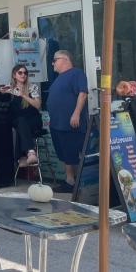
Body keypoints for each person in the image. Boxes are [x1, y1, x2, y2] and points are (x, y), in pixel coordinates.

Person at [47, 50, 88, 193]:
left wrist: (76, 114)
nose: (53, 63)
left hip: (71, 123)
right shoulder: (59, 78)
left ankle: (81, 183)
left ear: (65, 59)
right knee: (64, 154)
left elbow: (82, 94)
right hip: (57, 124)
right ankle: (69, 181)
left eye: (54, 60)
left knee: (74, 152)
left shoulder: (76, 73)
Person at [0, 65, 42, 166]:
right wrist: (1, 92)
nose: (23, 75)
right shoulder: (10, 88)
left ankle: (25, 155)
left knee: (21, 124)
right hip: (18, 120)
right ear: (14, 75)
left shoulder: (32, 87)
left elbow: (38, 105)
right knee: (20, 122)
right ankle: (29, 153)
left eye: (25, 73)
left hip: (33, 120)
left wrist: (23, 95)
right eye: (20, 72)